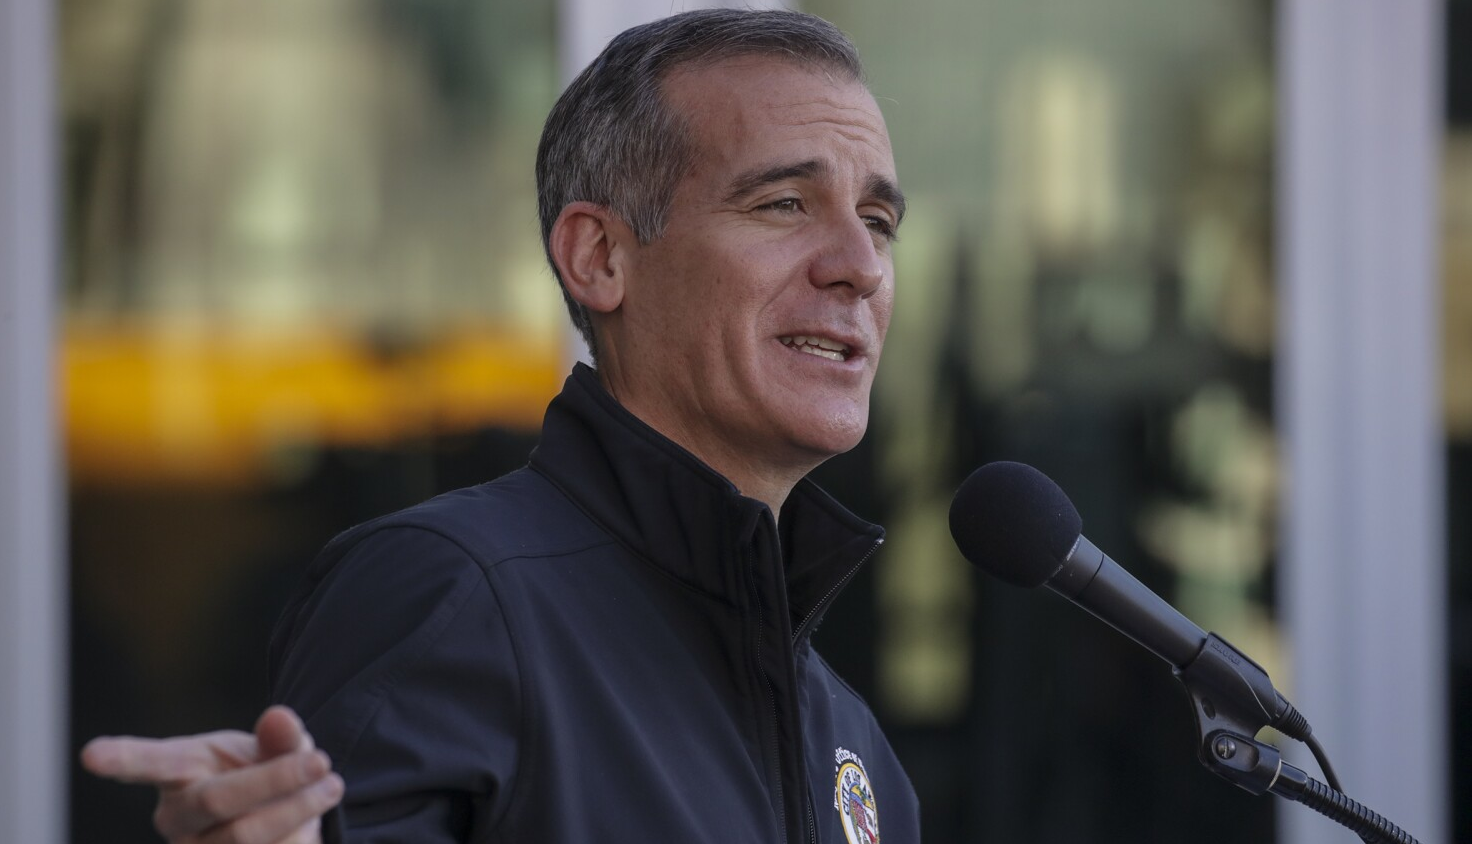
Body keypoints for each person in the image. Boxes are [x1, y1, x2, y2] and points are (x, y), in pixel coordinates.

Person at [82, 9, 915, 843]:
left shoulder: (851, 745)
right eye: (783, 204)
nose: (860, 265)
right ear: (598, 258)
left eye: (878, 222)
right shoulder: (454, 597)